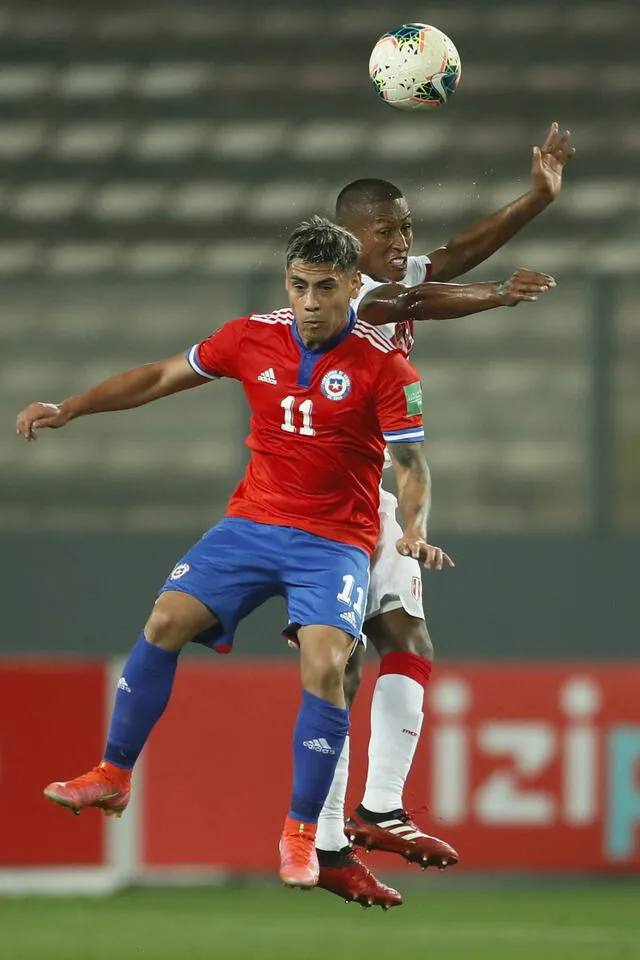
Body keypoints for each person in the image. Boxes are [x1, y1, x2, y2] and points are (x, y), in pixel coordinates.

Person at [15, 216, 444, 895]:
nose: (308, 301)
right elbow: (160, 376)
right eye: (298, 285)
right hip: (251, 525)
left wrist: (413, 527)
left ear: (353, 285)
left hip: (334, 540)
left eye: (324, 288)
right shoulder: (251, 336)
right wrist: (72, 408)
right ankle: (113, 775)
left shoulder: (386, 366)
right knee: (164, 620)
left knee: (329, 663)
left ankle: (302, 836)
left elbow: (413, 466)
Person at [314, 122, 575, 905]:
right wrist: (497, 296)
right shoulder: (347, 290)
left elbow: (454, 254)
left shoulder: (390, 270)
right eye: (385, 230)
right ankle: (328, 840)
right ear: (347, 238)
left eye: (405, 227)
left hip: (373, 490)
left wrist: (534, 198)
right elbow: (421, 293)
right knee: (338, 666)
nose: (401, 239)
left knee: (407, 640)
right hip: (319, 495)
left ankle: (376, 810)